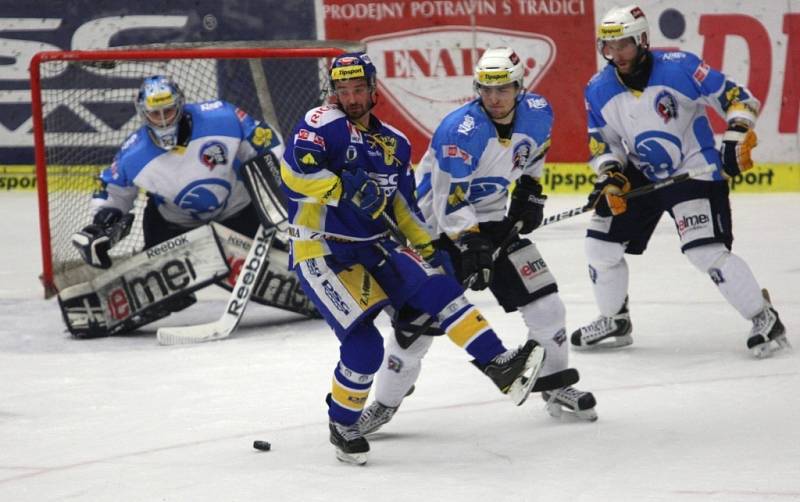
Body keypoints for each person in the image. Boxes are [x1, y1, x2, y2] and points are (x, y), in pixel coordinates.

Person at [280, 52, 545, 465]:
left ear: (372, 90)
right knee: (365, 348)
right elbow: (294, 176)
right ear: (333, 92)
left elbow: (403, 208)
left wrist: (430, 249)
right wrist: (339, 188)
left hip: (374, 242)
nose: (350, 98)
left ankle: (498, 365)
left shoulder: (395, 143)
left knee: (439, 285)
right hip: (323, 247)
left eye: (358, 89)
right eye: (343, 90)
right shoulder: (321, 123)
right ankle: (343, 422)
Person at [357, 47, 598, 437]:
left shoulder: (538, 113)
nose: (494, 98)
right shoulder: (462, 131)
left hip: (490, 223)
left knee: (547, 304)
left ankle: (556, 389)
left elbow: (535, 154)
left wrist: (531, 192)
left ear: (520, 87)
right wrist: (471, 244)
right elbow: (448, 199)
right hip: (434, 234)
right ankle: (383, 405)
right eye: (486, 89)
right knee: (415, 330)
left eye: (503, 89)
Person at [570, 5, 788, 358]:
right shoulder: (597, 89)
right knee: (600, 246)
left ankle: (764, 317)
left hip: (693, 167)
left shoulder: (681, 66)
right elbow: (603, 141)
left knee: (704, 252)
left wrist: (736, 133)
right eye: (609, 47)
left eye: (623, 45)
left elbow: (738, 97)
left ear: (641, 40)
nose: (616, 55)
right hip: (642, 173)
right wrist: (610, 176)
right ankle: (614, 319)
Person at [67, 75, 313, 336]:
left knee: (283, 261)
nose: (163, 120)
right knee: (161, 280)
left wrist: (276, 183)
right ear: (143, 115)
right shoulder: (133, 154)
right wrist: (101, 225)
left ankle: (320, 281)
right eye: (155, 114)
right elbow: (113, 191)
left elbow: (264, 142)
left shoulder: (224, 118)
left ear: (181, 105)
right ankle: (166, 291)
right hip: (174, 225)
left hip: (237, 211)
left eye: (169, 110)